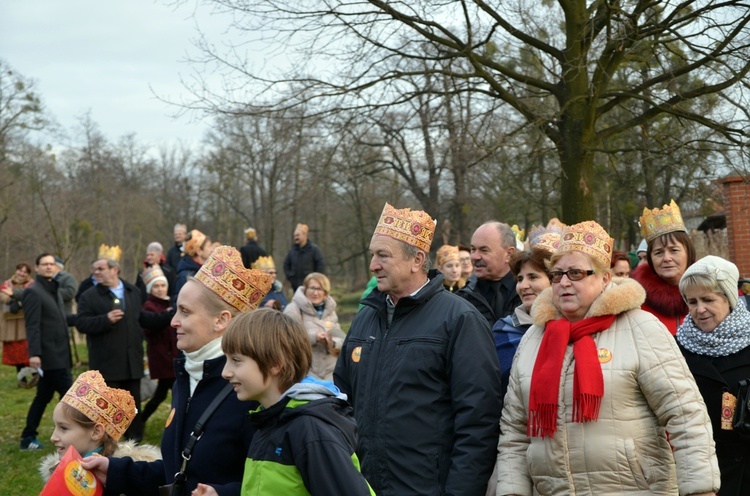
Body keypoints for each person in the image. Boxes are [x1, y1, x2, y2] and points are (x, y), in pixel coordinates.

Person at [496, 220, 720, 496]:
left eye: (576, 273)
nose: (564, 282)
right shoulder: (534, 339)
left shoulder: (641, 328)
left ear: (603, 278)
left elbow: (685, 415)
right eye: (557, 274)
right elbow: (514, 433)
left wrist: (700, 489)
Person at [334, 203, 503, 496]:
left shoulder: (460, 320)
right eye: (373, 255)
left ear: (417, 260)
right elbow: (341, 402)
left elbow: (478, 422)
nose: (373, 265)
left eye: (383, 255)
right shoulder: (364, 320)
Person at [81, 245, 272, 496]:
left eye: (185, 312)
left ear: (221, 320)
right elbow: (180, 469)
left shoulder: (250, 388)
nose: (173, 322)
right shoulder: (186, 376)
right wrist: (116, 471)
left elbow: (273, 482)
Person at [193, 309, 374, 496]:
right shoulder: (269, 421)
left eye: (236, 360)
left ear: (275, 363)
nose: (225, 372)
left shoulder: (311, 431)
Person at [677, 256, 750, 496]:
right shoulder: (677, 348)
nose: (700, 309)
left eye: (708, 299)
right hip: (705, 476)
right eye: (692, 301)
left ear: (729, 299)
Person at [39, 370, 160, 482]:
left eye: (63, 428)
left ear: (96, 432)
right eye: (55, 427)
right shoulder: (59, 470)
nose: (53, 437)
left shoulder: (126, 480)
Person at [76, 245, 145, 442]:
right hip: (107, 362)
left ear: (114, 270)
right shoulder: (89, 296)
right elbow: (81, 323)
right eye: (94, 269)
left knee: (133, 406)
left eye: (100, 269)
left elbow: (141, 319)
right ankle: (107, 444)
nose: (96, 273)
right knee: (107, 408)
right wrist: (105, 319)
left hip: (132, 360)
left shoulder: (133, 291)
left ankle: (135, 443)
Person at [20, 253, 74, 451]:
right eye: (45, 264)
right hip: (50, 355)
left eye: (52, 264)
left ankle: (28, 436)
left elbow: (61, 319)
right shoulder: (33, 292)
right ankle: (72, 437)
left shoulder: (55, 289)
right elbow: (32, 325)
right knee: (71, 397)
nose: (49, 267)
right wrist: (34, 354)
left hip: (61, 353)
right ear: (36, 268)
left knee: (42, 397)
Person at [492, 245, 554, 399]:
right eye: (520, 279)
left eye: (533, 277)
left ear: (554, 281)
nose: (523, 286)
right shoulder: (503, 330)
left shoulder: (571, 327)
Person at [631, 200, 696, 335]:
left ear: (688, 253)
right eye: (659, 252)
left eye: (674, 250)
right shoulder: (635, 301)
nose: (667, 258)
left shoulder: (711, 292)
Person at [284, 272, 345, 381]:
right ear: (305, 289)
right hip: (306, 371)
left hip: (331, 371)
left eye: (320, 289)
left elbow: (340, 338)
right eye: (312, 288)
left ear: (325, 293)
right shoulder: (293, 309)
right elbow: (286, 338)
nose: (316, 293)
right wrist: (314, 337)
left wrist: (332, 342)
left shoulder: (330, 311)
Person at [457, 221, 521, 324]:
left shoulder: (529, 294)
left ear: (509, 254)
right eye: (473, 249)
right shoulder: (461, 300)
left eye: (484, 250)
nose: (475, 257)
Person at [138, 266, 179, 425]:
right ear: (150, 289)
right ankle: (174, 423)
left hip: (172, 354)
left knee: (161, 394)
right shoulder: (149, 306)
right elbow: (152, 327)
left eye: (162, 285)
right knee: (174, 393)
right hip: (161, 356)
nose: (160, 289)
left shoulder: (168, 303)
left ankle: (141, 420)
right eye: (156, 286)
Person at [0, 262, 33, 372]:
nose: (22, 273)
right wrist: (10, 301)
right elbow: (2, 294)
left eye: (25, 272)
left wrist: (19, 303)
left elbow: (32, 296)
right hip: (10, 319)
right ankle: (21, 376)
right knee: (14, 348)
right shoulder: (7, 283)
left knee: (26, 347)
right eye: (20, 270)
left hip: (25, 319)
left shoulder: (31, 284)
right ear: (16, 270)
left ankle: (33, 374)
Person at [283, 223, 325, 291]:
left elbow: (320, 265)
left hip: (311, 286)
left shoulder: (314, 250)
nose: (295, 238)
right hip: (296, 287)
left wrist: (316, 279)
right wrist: (290, 276)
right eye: (294, 236)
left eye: (297, 235)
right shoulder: (292, 251)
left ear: (305, 235)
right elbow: (286, 265)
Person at [174, 229, 214, 298]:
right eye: (209, 246)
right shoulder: (186, 277)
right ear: (199, 251)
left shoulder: (207, 271)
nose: (212, 249)